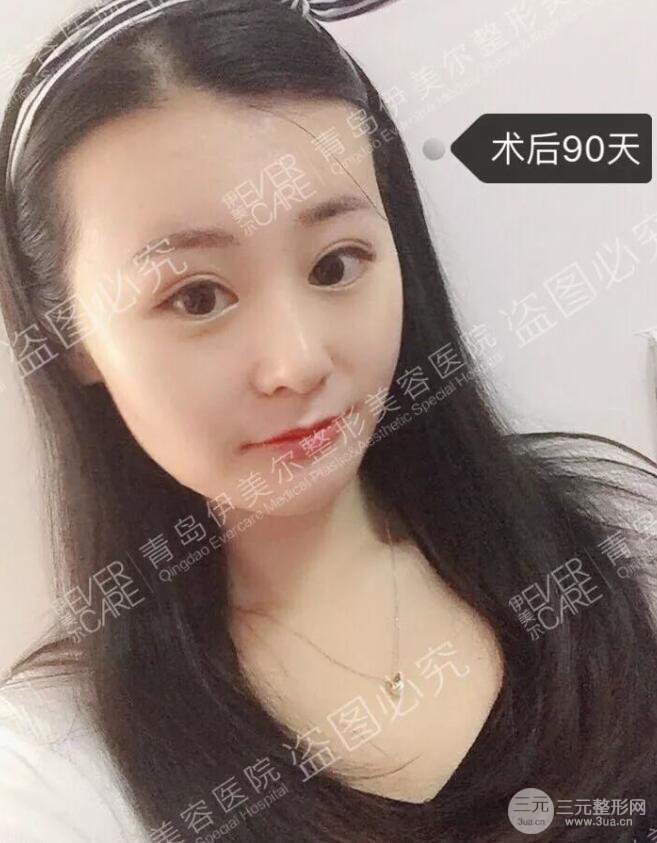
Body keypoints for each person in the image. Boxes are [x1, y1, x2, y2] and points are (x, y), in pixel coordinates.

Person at [0, 1, 656, 840]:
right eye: (196, 296)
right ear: (68, 339)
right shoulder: (55, 770)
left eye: (336, 264)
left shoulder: (610, 549)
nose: (299, 361)